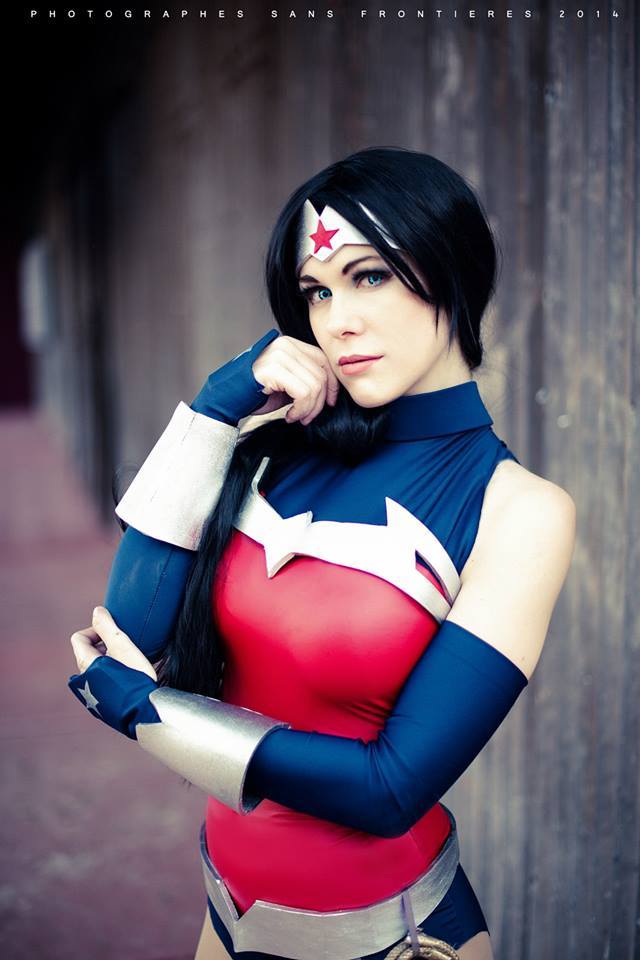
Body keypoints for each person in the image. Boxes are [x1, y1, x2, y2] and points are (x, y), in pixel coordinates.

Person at [68, 147, 576, 960]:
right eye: (317, 291)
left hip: (395, 939)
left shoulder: (519, 511)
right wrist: (215, 407)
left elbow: (390, 788)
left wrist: (150, 714)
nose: (337, 321)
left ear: (451, 268)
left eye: (369, 276)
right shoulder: (272, 451)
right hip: (225, 918)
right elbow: (129, 631)